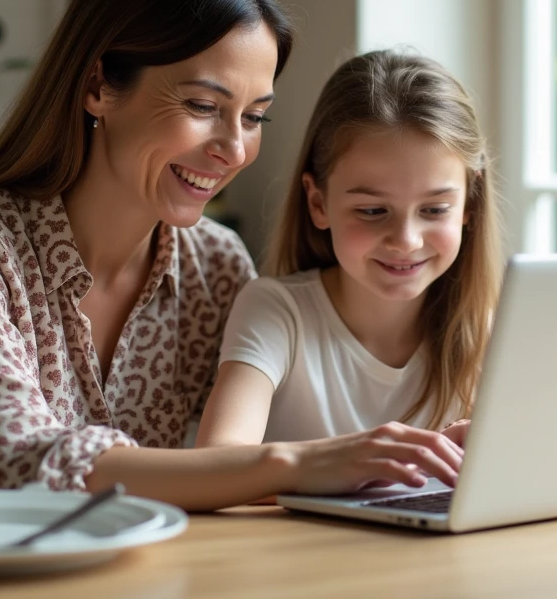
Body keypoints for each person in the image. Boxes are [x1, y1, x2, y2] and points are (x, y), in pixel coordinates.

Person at [0, 0, 462, 509]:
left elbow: (216, 476)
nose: (234, 149)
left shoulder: (216, 269)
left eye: (253, 117)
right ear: (98, 85)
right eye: (202, 106)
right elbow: (12, 467)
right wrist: (293, 463)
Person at [196, 50, 503, 458]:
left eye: (433, 210)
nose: (406, 240)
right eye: (373, 211)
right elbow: (217, 455)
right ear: (318, 202)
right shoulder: (279, 311)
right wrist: (352, 463)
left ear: (469, 205)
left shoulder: (486, 330)